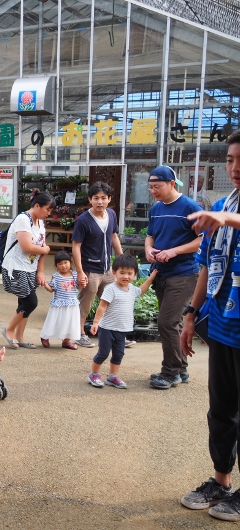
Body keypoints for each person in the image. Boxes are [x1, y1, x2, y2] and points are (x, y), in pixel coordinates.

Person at [179, 129, 240, 522]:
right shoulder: (222, 206)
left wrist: (226, 218)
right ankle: (221, 481)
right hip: (221, 325)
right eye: (231, 159)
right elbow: (206, 266)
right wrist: (190, 315)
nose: (235, 168)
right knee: (222, 409)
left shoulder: (224, 213)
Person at [145, 165, 203, 389]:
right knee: (173, 323)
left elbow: (202, 239)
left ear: (171, 184)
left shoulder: (190, 207)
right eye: (150, 187)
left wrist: (174, 251)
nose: (153, 191)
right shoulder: (156, 209)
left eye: (157, 187)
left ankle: (170, 372)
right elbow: (150, 236)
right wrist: (149, 249)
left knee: (167, 322)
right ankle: (181, 369)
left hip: (184, 273)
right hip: (162, 272)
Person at [87, 255, 157, 389]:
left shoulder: (132, 290)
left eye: (130, 273)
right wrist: (95, 323)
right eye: (122, 273)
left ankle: (112, 376)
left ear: (135, 274)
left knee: (119, 354)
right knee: (103, 353)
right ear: (114, 273)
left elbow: (142, 290)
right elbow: (102, 306)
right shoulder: (110, 289)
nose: (126, 276)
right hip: (107, 328)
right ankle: (94, 374)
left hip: (122, 329)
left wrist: (151, 278)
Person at [71, 181, 126, 348]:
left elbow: (114, 236)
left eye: (103, 198)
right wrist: (80, 272)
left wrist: (121, 259)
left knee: (112, 302)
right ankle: (80, 334)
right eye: (96, 198)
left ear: (109, 199)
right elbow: (76, 246)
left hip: (107, 269)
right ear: (90, 200)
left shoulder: (112, 214)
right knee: (85, 304)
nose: (100, 202)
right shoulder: (83, 221)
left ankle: (115, 335)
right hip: (90, 270)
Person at [0, 189, 52, 349]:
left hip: (30, 268)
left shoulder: (40, 223)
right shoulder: (23, 219)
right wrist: (46, 250)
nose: (49, 213)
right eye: (47, 209)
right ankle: (9, 330)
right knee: (30, 302)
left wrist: (40, 271)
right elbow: (27, 247)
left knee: (24, 302)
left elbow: (41, 248)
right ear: (37, 206)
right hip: (15, 267)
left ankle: (20, 337)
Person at [40, 251, 80, 350]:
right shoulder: (56, 276)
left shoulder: (75, 275)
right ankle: (45, 336)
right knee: (53, 321)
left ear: (71, 262)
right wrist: (45, 284)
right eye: (60, 264)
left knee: (69, 322)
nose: (63, 266)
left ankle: (66, 341)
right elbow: (52, 289)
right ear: (56, 265)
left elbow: (79, 286)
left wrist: (84, 282)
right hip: (59, 304)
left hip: (72, 304)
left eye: (66, 262)